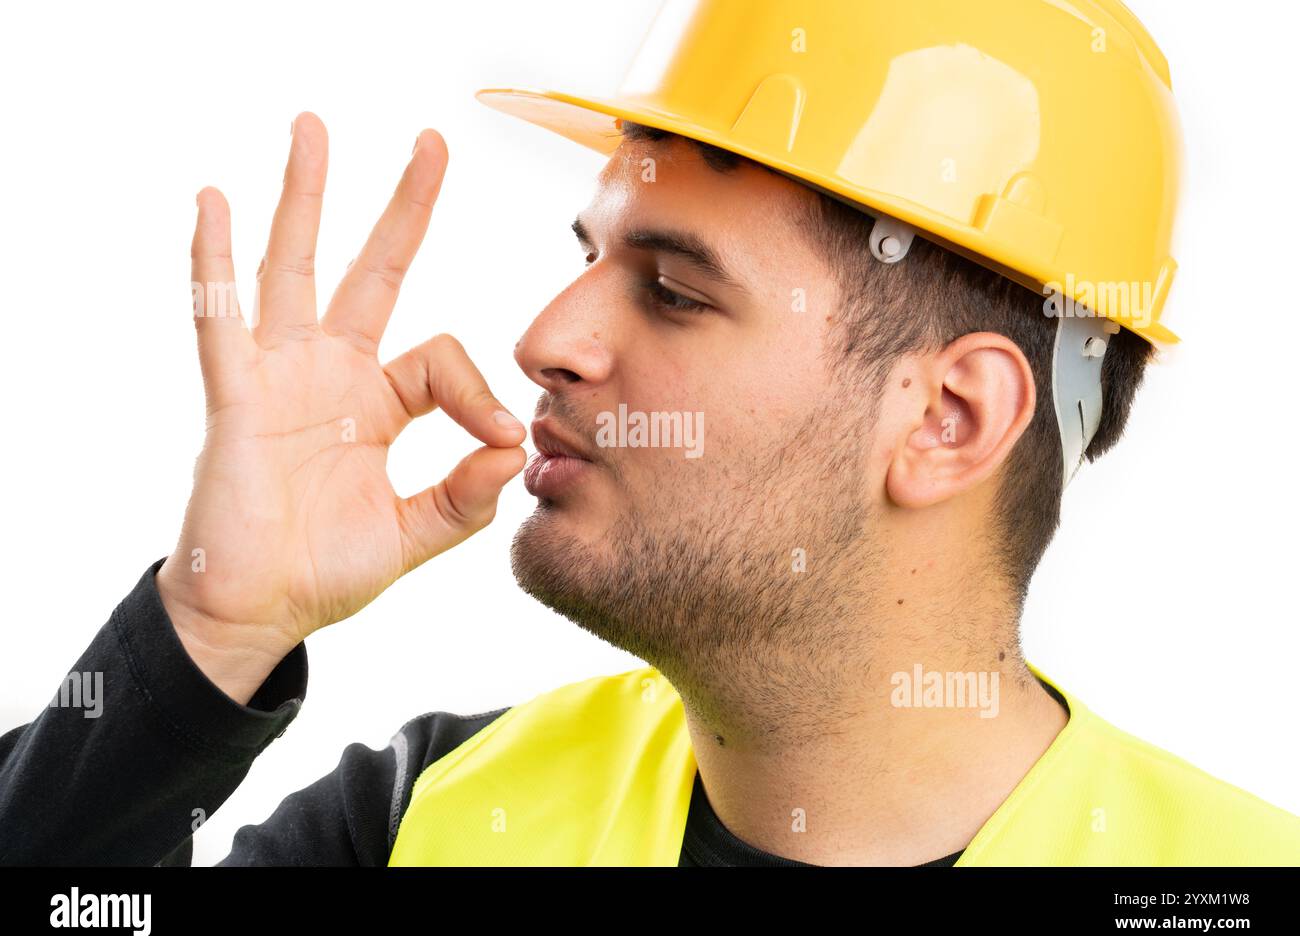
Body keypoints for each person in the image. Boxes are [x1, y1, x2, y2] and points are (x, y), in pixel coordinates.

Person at [3, 0, 1299, 867]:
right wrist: (208, 635)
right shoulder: (432, 821)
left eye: (674, 288)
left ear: (948, 418)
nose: (546, 334)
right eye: (590, 256)